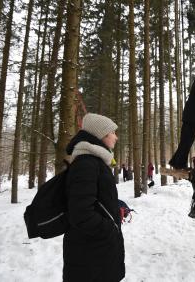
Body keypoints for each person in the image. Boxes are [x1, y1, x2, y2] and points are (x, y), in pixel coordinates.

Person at [64, 113, 125, 282]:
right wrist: (109, 229)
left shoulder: (94, 162)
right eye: (113, 132)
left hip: (97, 253)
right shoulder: (86, 164)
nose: (116, 137)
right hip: (90, 256)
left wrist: (115, 208)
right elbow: (81, 213)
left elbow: (95, 200)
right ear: (102, 134)